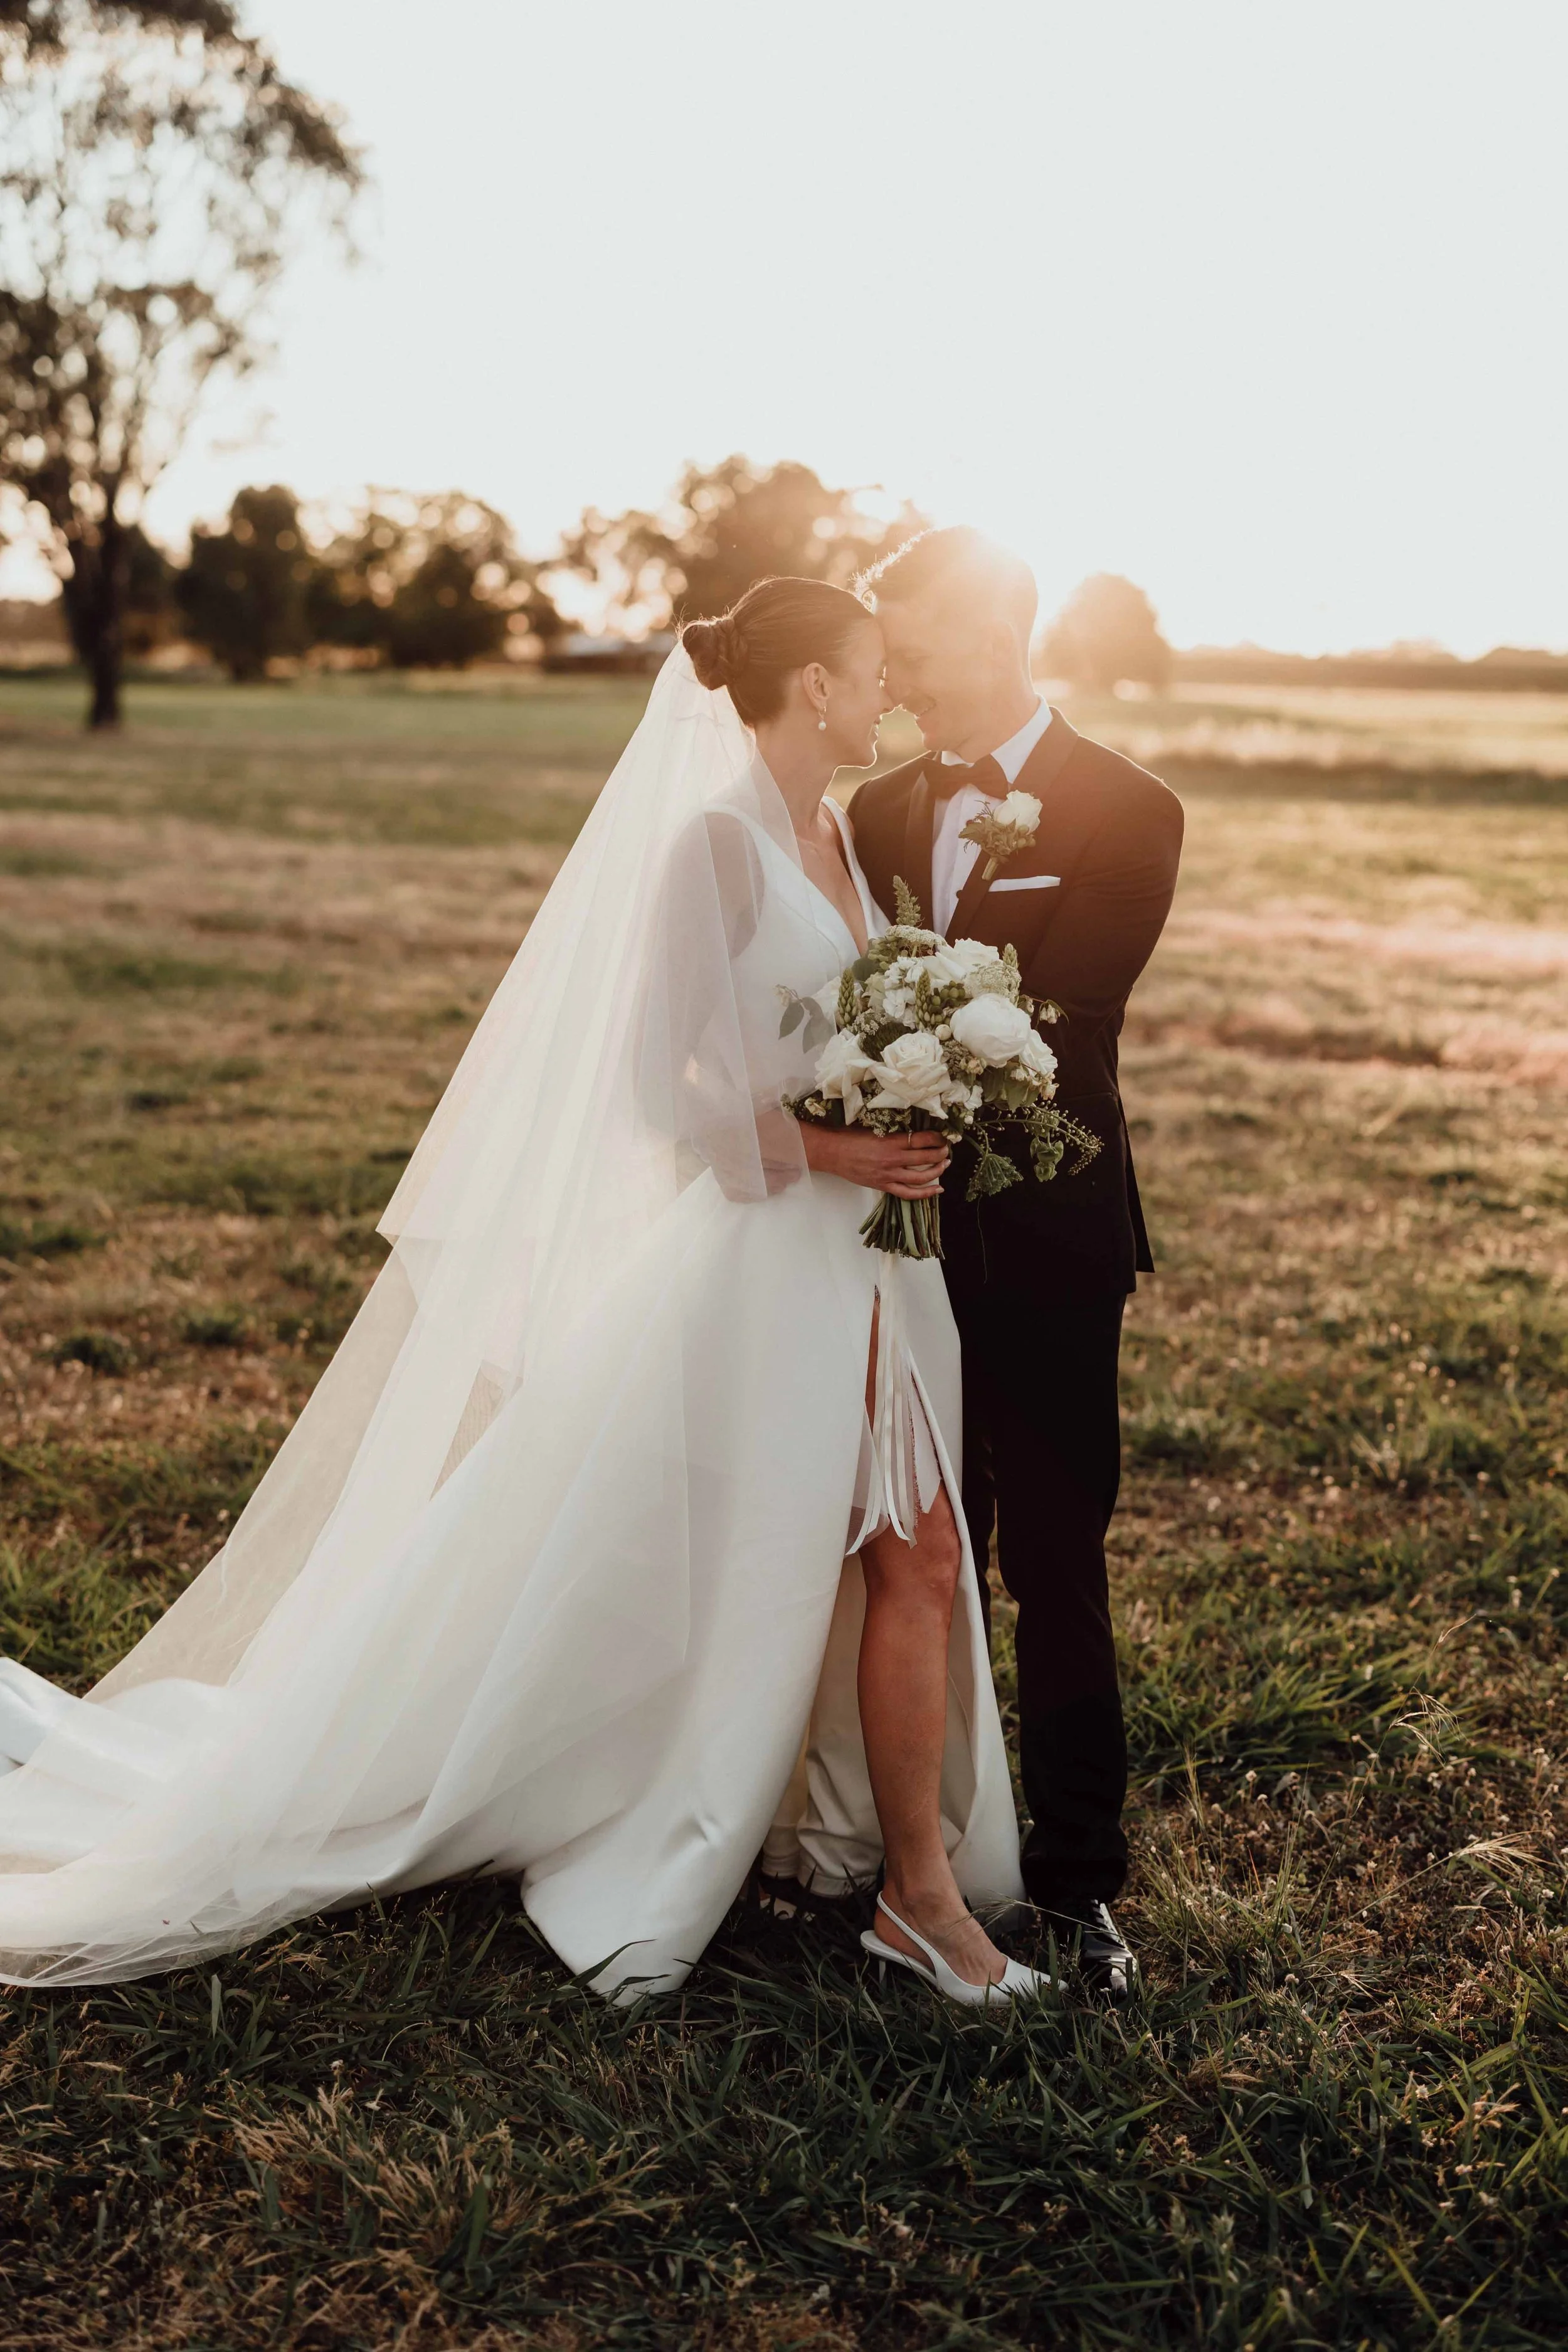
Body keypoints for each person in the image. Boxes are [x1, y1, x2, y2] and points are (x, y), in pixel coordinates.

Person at [0, 577, 1041, 2008]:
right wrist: (831, 1142)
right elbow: (655, 1088)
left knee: (912, 1552)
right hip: (775, 1264)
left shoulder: (842, 837)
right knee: (831, 1552)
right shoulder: (715, 848)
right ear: (811, 687)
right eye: (869, 672)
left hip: (871, 1259)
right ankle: (853, 1875)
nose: (888, 695)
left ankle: (884, 1873)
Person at [849, 528, 1184, 1999]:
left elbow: (1068, 1016)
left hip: (1048, 1237)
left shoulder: (1128, 807)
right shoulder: (865, 810)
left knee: (1053, 1551)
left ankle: (1076, 1880)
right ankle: (909, 1858)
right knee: (910, 1557)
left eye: (912, 648)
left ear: (992, 628)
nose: (895, 677)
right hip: (879, 1241)